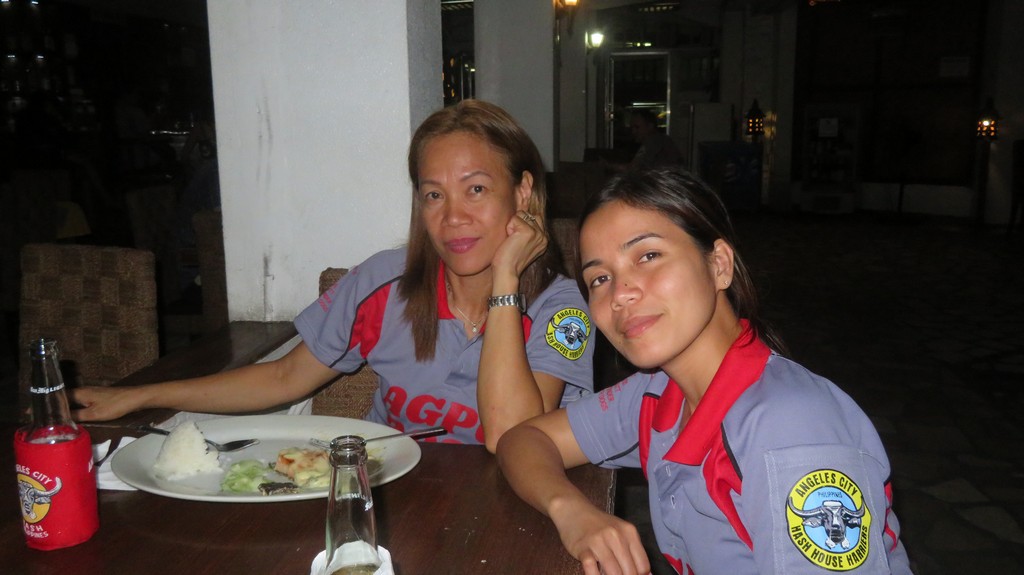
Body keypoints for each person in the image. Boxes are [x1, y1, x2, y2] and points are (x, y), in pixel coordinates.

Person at [72, 100, 595, 451]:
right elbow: (284, 377)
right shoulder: (383, 282)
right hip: (385, 498)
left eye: (476, 189)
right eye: (434, 194)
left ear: (522, 192)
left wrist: (505, 284)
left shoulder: (563, 310)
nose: (452, 216)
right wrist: (144, 395)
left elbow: (510, 437)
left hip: (505, 511)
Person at [496, 167, 911, 574]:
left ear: (719, 265)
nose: (620, 294)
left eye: (648, 256)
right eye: (600, 278)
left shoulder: (789, 428)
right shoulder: (658, 392)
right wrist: (572, 512)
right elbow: (523, 440)